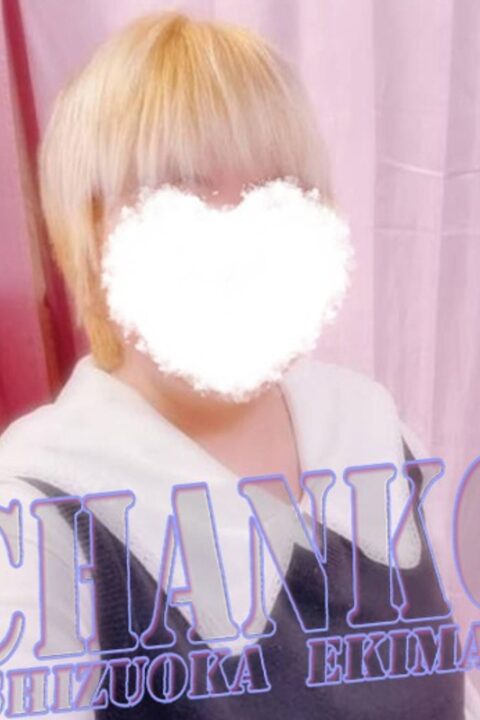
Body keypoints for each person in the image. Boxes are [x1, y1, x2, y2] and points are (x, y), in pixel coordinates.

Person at [0, 12, 470, 719]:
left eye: (275, 191)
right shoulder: (42, 503)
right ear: (92, 230)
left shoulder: (367, 423)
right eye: (182, 194)